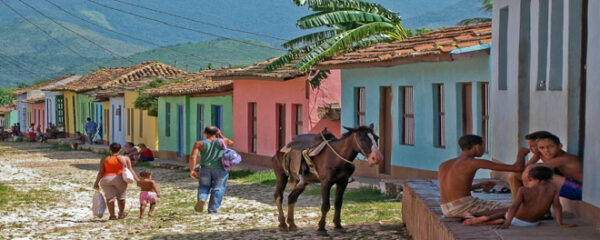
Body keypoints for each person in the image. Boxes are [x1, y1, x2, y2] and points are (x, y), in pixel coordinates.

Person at [438, 135, 527, 217]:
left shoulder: (444, 165)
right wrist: (521, 153)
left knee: (499, 206)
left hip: (445, 209)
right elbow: (517, 168)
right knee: (517, 209)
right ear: (476, 147)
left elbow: (454, 190)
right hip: (463, 206)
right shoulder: (473, 162)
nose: (484, 149)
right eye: (483, 146)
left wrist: (479, 186)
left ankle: (476, 217)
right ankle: (475, 218)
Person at [462, 166, 577, 228]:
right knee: (508, 214)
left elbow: (514, 208)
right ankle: (494, 220)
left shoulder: (524, 190)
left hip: (516, 220)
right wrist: (560, 223)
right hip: (533, 223)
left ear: (531, 179)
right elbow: (557, 207)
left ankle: (486, 219)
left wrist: (507, 224)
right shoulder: (553, 189)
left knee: (507, 211)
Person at [189, 126, 234, 213]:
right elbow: (231, 143)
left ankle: (202, 199)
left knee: (203, 186)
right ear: (216, 133)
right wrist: (220, 135)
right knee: (218, 188)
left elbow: (193, 157)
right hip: (220, 169)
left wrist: (192, 170)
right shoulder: (223, 141)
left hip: (205, 169)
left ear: (205, 132)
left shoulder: (199, 143)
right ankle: (213, 209)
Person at [528, 134, 584, 200]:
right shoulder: (553, 158)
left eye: (551, 146)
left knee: (543, 175)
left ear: (560, 146)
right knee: (518, 174)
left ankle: (530, 204)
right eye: (542, 148)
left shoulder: (564, 158)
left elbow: (529, 168)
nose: (546, 150)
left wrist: (521, 155)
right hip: (575, 189)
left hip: (583, 191)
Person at [93, 143, 139, 220]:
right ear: (120, 150)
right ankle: (121, 213)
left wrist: (96, 182)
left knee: (110, 198)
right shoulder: (125, 158)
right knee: (121, 197)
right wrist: (138, 180)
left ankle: (112, 215)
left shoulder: (104, 159)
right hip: (120, 179)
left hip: (106, 179)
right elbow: (130, 170)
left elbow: (101, 172)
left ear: (110, 150)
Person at [508, 131, 554, 199]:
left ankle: (529, 201)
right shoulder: (538, 154)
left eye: (532, 146)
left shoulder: (551, 154)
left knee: (529, 175)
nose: (530, 149)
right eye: (529, 146)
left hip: (552, 179)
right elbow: (523, 167)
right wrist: (522, 156)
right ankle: (517, 201)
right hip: (541, 178)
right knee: (514, 174)